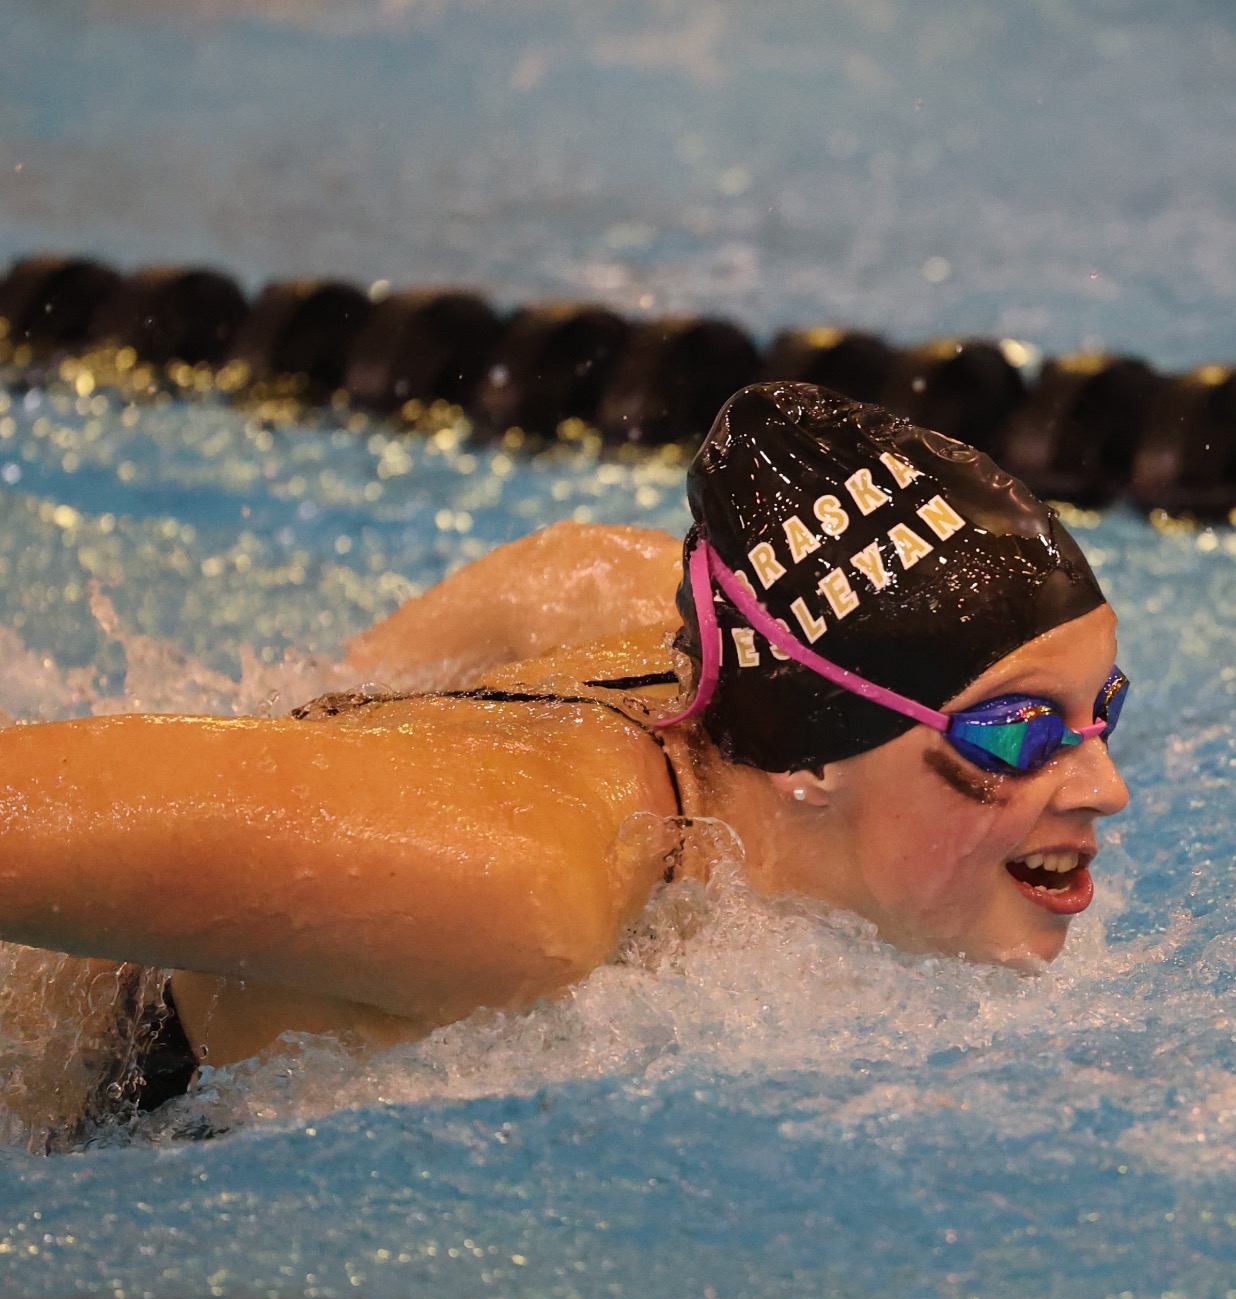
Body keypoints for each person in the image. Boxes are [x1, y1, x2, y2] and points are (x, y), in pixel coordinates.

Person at [0, 382, 1131, 1145]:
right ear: (810, 754)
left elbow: (571, 569)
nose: (1100, 788)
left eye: (1099, 713)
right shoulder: (523, 887)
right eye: (1015, 732)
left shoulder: (704, 646)